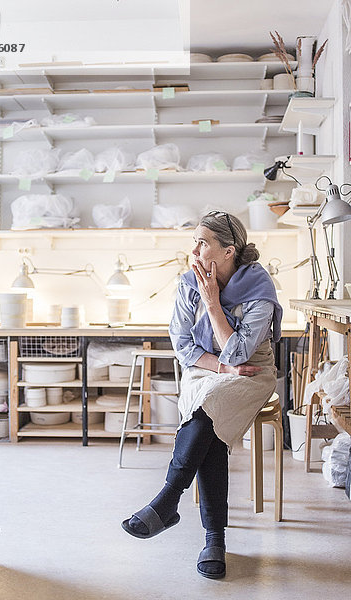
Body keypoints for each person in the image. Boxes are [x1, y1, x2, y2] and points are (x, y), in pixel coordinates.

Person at [121, 211, 282, 580]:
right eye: (194, 240)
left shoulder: (259, 289)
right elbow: (182, 344)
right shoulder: (188, 283)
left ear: (228, 251)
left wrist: (212, 304)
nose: (194, 249)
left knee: (208, 410)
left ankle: (169, 500)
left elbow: (241, 354)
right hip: (206, 370)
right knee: (207, 411)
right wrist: (221, 367)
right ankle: (213, 538)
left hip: (252, 374)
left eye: (203, 242)